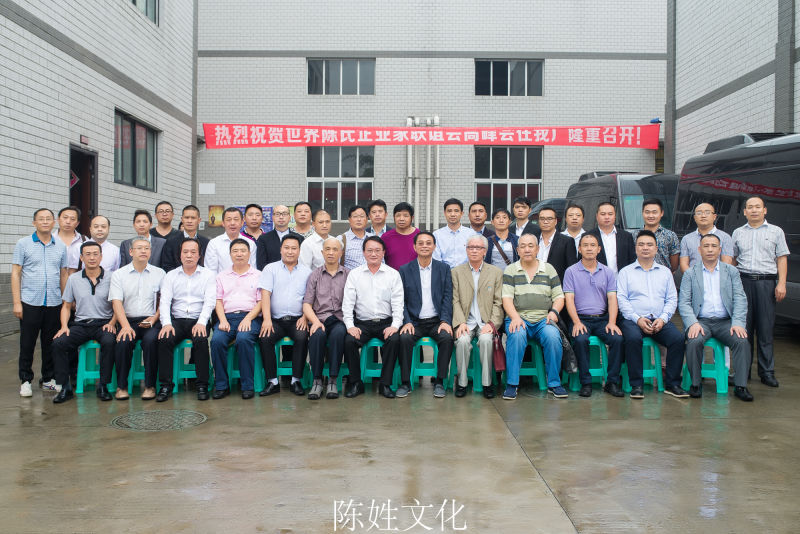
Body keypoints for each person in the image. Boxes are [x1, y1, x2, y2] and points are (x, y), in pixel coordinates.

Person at [678, 234, 753, 401]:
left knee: (742, 341)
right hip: (701, 321)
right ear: (700, 250)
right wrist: (692, 323)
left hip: (725, 322)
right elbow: (684, 302)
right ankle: (695, 383)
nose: (710, 250)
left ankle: (741, 386)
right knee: (694, 341)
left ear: (720, 250)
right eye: (706, 246)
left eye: (714, 246)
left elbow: (740, 298)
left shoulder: (731, 271)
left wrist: (738, 322)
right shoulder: (690, 273)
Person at [617, 230, 688, 399]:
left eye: (649, 245)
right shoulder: (625, 272)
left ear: (656, 249)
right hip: (633, 320)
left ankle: (673, 384)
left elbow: (672, 299)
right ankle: (636, 385)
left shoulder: (665, 272)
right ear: (635, 248)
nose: (645, 248)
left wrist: (663, 319)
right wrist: (637, 319)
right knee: (633, 339)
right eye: (641, 244)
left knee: (677, 339)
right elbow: (622, 300)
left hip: (658, 320)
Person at [732, 195, 790, 388]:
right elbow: (733, 260)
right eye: (750, 207)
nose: (754, 210)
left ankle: (767, 372)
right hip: (743, 282)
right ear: (745, 212)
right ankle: (743, 371)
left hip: (766, 283)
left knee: (765, 330)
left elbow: (781, 258)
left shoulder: (776, 231)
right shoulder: (738, 233)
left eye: (758, 207)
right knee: (743, 331)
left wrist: (781, 283)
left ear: (764, 210)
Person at [502, 233, 568, 400]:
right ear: (517, 250)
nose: (527, 249)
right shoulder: (511, 270)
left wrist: (554, 312)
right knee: (517, 336)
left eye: (531, 246)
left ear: (537, 249)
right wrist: (515, 317)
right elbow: (506, 299)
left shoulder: (548, 269)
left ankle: (554, 383)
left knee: (553, 337)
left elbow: (559, 297)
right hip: (518, 317)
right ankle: (512, 384)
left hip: (543, 319)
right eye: (523, 246)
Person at [12, 208, 69, 396]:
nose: (45, 222)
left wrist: (65, 301)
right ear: (34, 223)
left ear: (54, 222)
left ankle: (48, 379)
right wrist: (17, 302)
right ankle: (25, 380)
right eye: (41, 219)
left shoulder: (60, 246)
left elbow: (63, 274)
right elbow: (16, 273)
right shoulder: (23, 244)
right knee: (27, 343)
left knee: (50, 343)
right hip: (30, 302)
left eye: (48, 219)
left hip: (54, 302)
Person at [52, 241, 117, 403]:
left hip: (104, 323)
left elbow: (118, 305)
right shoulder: (73, 279)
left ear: (101, 257)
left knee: (109, 342)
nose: (92, 258)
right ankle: (65, 387)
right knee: (58, 343)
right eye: (88, 254)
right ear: (81, 258)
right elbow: (66, 306)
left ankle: (103, 385)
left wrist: (112, 322)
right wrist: (64, 326)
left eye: (95, 254)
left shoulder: (112, 277)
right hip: (81, 324)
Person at [342, 236, 404, 399]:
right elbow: (347, 304)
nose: (373, 254)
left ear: (383, 252)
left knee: (394, 340)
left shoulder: (393, 274)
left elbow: (398, 304)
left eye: (377, 250)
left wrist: (395, 326)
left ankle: (385, 384)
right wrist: (350, 326)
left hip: (386, 322)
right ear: (363, 253)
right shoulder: (355, 274)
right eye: (369, 250)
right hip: (362, 323)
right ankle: (356, 383)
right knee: (349, 341)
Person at [562, 234, 623, 397]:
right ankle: (586, 382)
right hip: (580, 319)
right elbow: (569, 299)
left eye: (593, 245)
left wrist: (612, 322)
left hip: (602, 319)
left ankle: (612, 382)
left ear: (599, 249)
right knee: (580, 340)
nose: (589, 248)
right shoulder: (571, 271)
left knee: (617, 339)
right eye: (585, 245)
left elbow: (612, 298)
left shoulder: (608, 272)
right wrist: (576, 322)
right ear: (579, 249)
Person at [155, 238, 215, 402]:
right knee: (164, 339)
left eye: (193, 252)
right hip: (177, 320)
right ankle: (166, 385)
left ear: (199, 255)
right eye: (185, 252)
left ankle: (202, 385)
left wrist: (202, 322)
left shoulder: (208, 275)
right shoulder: (170, 276)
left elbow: (209, 302)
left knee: (201, 340)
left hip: (198, 319)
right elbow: (165, 302)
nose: (189, 255)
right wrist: (166, 323)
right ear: (179, 255)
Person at [397, 231, 454, 398]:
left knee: (447, 338)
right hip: (414, 322)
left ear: (434, 246)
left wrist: (445, 320)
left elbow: (447, 297)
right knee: (404, 338)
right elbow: (401, 300)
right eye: (420, 243)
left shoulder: (443, 269)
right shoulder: (405, 270)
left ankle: (439, 381)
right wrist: (407, 321)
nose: (424, 246)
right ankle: (405, 382)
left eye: (428, 243)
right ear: (414, 247)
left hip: (436, 321)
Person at [109, 236, 166, 401]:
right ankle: (121, 386)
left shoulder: (160, 273)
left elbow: (164, 301)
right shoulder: (119, 274)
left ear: (150, 252)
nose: (143, 251)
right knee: (123, 342)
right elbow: (117, 303)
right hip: (128, 320)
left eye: (146, 248)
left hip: (151, 320)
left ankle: (149, 386)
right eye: (139, 248)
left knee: (151, 341)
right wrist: (125, 326)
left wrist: (154, 318)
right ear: (131, 252)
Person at [258, 235, 312, 397]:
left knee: (302, 337)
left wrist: (305, 317)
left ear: (299, 251)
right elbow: (265, 295)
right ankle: (272, 381)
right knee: (265, 337)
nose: (290, 251)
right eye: (286, 248)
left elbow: (310, 298)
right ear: (281, 249)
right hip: (275, 320)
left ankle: (296, 380)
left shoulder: (307, 272)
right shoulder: (270, 269)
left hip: (298, 319)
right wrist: (267, 319)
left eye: (294, 248)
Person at [451, 234, 504, 399]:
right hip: (465, 322)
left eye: (478, 248)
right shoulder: (456, 272)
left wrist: (492, 323)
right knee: (462, 341)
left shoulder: (495, 272)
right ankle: (462, 382)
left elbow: (498, 302)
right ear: (466, 250)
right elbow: (454, 300)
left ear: (485, 251)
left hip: (485, 322)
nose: (474, 251)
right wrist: (460, 322)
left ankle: (487, 383)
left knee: (486, 340)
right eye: (471, 247)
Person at [210, 238, 263, 399]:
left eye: (243, 251)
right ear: (230, 254)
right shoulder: (221, 276)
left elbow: (261, 302)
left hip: (251, 317)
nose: (239, 254)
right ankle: (221, 385)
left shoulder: (259, 275)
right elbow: (218, 301)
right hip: (227, 317)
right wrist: (222, 320)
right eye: (235, 251)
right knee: (216, 341)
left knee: (244, 339)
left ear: (249, 253)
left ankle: (247, 386)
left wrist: (248, 319)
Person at [303, 237, 350, 400]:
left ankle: (333, 380)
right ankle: (317, 381)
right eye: (327, 249)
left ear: (341, 253)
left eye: (335, 249)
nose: (331, 253)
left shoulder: (348, 275)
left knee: (338, 334)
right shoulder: (314, 275)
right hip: (320, 319)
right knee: (317, 336)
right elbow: (307, 304)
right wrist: (315, 322)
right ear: (322, 252)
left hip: (340, 320)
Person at [679, 202, 734, 271]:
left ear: (714, 217)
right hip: (693, 276)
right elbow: (683, 264)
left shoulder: (725, 237)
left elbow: (726, 264)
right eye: (699, 213)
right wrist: (692, 277)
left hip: (717, 277)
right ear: (695, 218)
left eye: (707, 212)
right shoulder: (687, 239)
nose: (703, 216)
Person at [204, 207, 256, 274]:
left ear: (242, 223)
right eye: (228, 220)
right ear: (223, 223)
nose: (232, 223)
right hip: (221, 280)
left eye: (236, 219)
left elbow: (253, 269)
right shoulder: (214, 243)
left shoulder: (250, 243)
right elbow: (211, 271)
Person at [587, 202, 635, 273]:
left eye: (610, 214)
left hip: (621, 278)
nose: (607, 217)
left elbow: (632, 260)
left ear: (615, 216)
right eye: (603, 214)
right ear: (597, 216)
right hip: (596, 277)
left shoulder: (626, 236)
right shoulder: (588, 236)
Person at [632, 198, 679, 271]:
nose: (651, 216)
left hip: (663, 275)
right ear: (642, 213)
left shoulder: (670, 235)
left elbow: (674, 265)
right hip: (638, 274)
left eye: (654, 212)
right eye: (647, 212)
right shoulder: (634, 235)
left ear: (661, 213)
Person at [161, 205, 210, 273]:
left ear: (199, 220)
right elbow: (167, 266)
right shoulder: (171, 242)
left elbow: (208, 265)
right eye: (186, 217)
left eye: (193, 218)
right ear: (182, 219)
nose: (189, 221)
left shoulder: (206, 243)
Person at [256, 204, 301, 269]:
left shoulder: (299, 238)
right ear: (272, 217)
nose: (281, 217)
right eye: (277, 214)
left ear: (289, 218)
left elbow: (301, 262)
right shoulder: (263, 239)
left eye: (284, 214)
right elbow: (261, 264)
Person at [535, 207, 573, 281]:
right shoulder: (533, 239)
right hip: (534, 284)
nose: (545, 222)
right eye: (542, 219)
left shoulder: (567, 241)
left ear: (555, 221)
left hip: (557, 284)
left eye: (549, 219)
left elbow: (571, 268)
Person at [433, 198, 473, 268]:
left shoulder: (471, 234)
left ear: (462, 213)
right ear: (444, 213)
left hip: (466, 272)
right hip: (444, 272)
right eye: (449, 211)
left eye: (456, 211)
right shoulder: (437, 235)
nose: (452, 214)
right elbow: (436, 259)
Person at [382, 202, 420, 269]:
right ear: (394, 217)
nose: (401, 219)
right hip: (392, 275)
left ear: (412, 217)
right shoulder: (386, 237)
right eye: (398, 215)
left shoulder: (420, 236)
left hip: (415, 275)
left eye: (405, 216)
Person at [57, 206, 86, 273]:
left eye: (72, 219)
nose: (68, 222)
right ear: (58, 219)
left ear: (77, 223)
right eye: (65, 217)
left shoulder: (84, 240)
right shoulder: (50, 239)